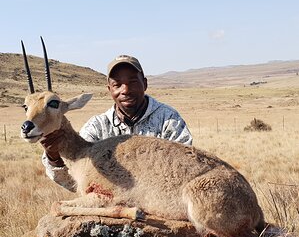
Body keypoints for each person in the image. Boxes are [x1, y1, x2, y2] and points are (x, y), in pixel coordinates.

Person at [41, 54, 193, 192]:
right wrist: (54, 157)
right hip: (110, 205)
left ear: (145, 84)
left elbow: (187, 169)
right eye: (117, 84)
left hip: (160, 200)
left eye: (133, 82)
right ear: (109, 89)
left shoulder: (168, 119)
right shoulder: (97, 127)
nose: (125, 90)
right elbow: (75, 183)